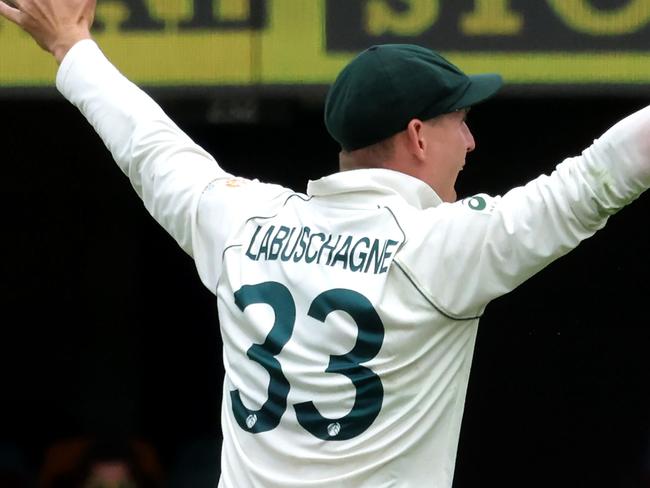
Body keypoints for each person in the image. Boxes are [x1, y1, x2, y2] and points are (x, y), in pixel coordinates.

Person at [1, 0, 648, 487]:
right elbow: (591, 181)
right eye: (463, 122)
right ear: (419, 136)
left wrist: (71, 45)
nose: (472, 143)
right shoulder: (441, 247)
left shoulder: (244, 221)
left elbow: (148, 145)